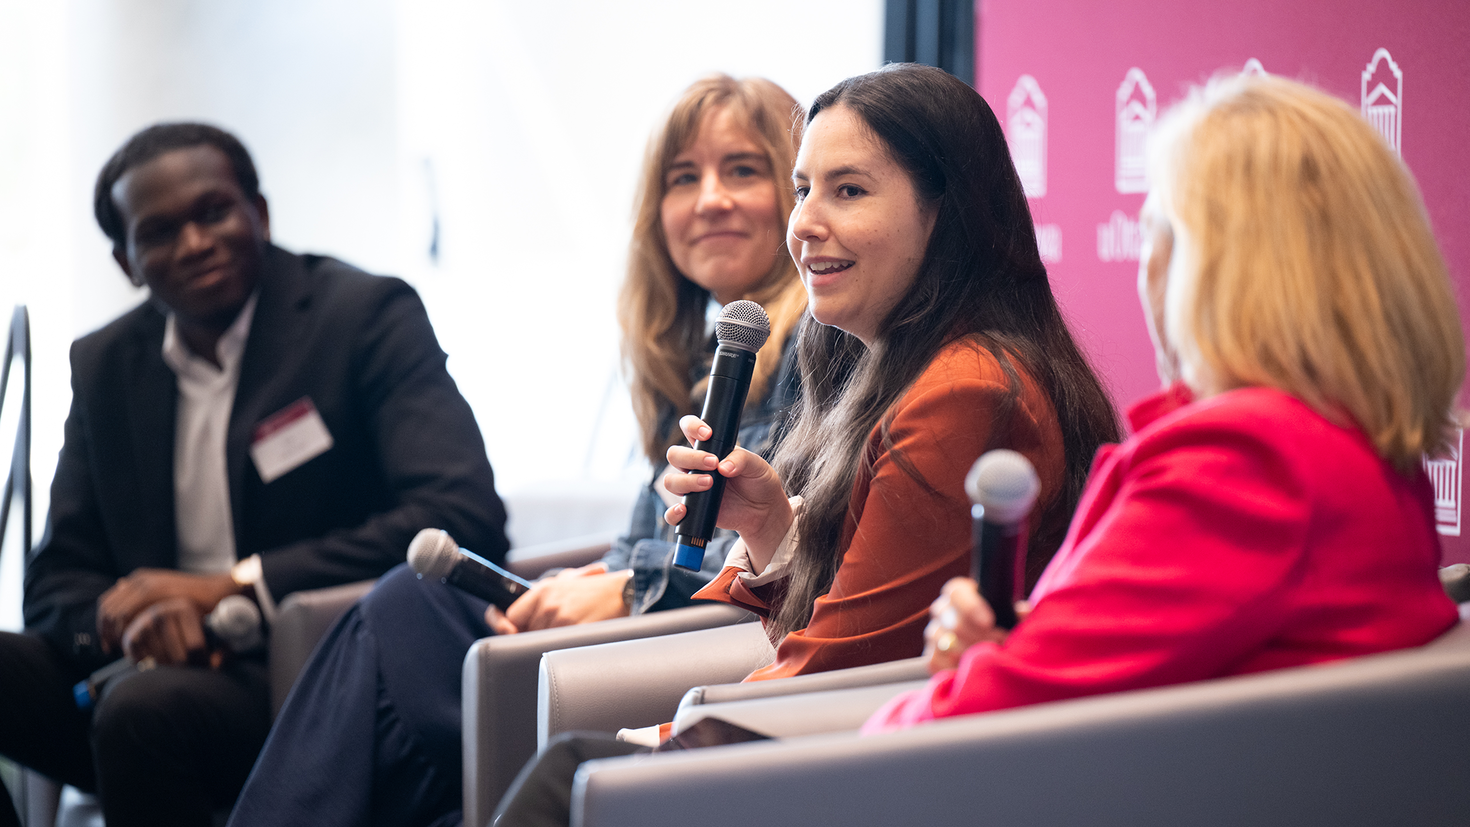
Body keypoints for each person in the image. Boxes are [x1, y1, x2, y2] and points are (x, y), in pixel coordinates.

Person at [492, 62, 1120, 826]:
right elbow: (877, 613)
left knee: (569, 778)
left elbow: (840, 663)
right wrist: (767, 528)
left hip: (898, 772)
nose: (805, 224)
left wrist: (655, 743)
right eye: (803, 190)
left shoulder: (963, 390)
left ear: (943, 214)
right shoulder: (909, 367)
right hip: (870, 740)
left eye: (848, 190)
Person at [225, 74, 809, 827]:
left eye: (743, 170)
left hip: (680, 646)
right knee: (411, 635)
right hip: (620, 631)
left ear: (799, 194)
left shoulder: (808, 346)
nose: (710, 199)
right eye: (683, 178)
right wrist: (595, 575)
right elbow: (655, 532)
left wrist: (627, 590)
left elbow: (767, 535)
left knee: (404, 609)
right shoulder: (701, 356)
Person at [865, 73, 1462, 732]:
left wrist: (975, 670)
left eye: (1155, 230)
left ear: (1205, 266)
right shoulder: (1356, 449)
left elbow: (959, 729)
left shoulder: (1243, 466)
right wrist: (1023, 641)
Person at [0, 123, 508, 827]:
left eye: (214, 212)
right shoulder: (106, 363)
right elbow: (56, 582)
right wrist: (137, 625)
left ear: (259, 214)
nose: (195, 243)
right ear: (126, 260)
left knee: (142, 716)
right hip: (147, 675)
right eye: (159, 231)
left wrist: (230, 587)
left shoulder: (362, 316)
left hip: (309, 669)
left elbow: (460, 512)